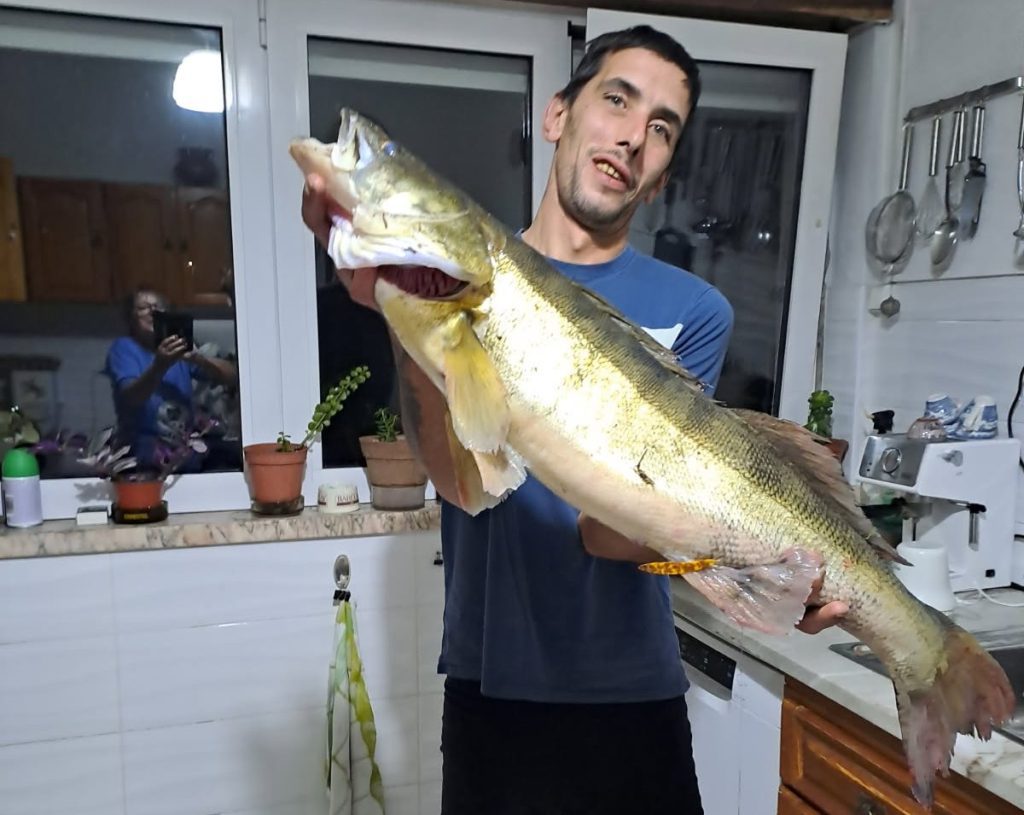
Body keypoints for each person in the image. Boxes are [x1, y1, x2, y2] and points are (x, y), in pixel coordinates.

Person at [302, 25, 848, 815]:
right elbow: (460, 483)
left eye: (662, 128)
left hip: (635, 701)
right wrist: (401, 302)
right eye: (617, 100)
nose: (632, 135)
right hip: (494, 697)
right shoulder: (467, 274)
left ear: (660, 176)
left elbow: (606, 533)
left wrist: (770, 563)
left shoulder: (695, 310)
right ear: (558, 114)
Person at [105, 287, 237, 471]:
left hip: (183, 453)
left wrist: (199, 358)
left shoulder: (178, 348)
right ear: (131, 318)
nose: (153, 310)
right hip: (141, 456)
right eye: (143, 307)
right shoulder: (124, 348)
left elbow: (232, 377)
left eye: (158, 306)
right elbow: (131, 396)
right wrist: (160, 365)